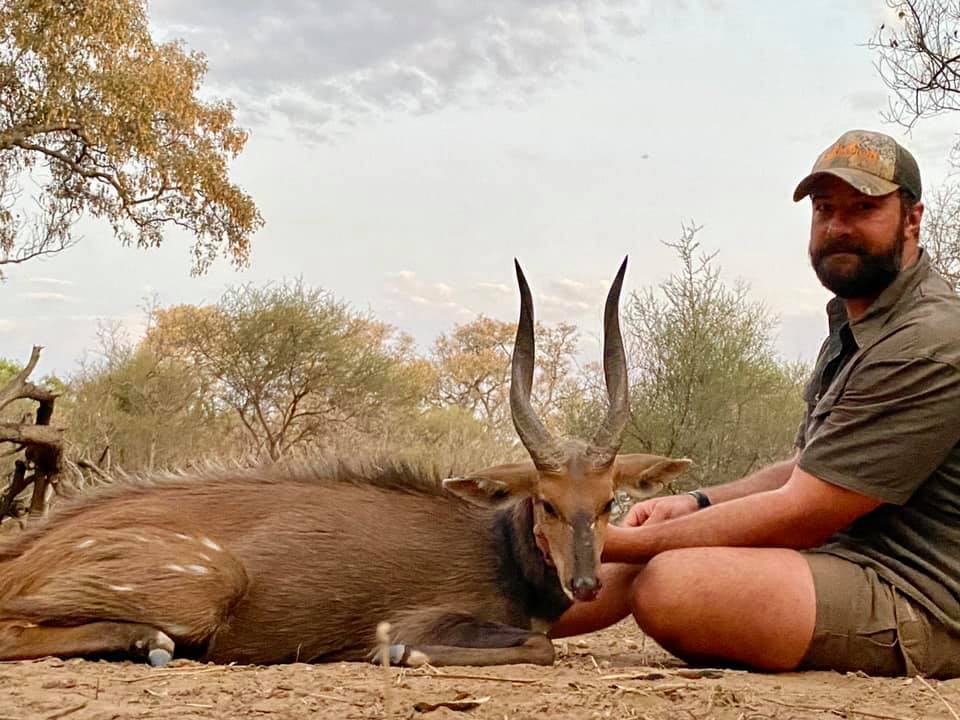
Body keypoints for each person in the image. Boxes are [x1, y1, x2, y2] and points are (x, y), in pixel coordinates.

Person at [549, 129, 960, 678]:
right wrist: (696, 502)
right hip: (848, 560)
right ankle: (479, 625)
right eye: (825, 209)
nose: (839, 227)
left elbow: (803, 512)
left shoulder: (929, 337)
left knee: (670, 581)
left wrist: (621, 540)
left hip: (923, 597)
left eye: (864, 208)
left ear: (912, 219)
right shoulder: (857, 324)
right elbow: (812, 468)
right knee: (645, 552)